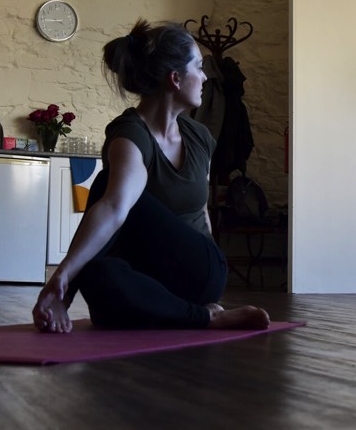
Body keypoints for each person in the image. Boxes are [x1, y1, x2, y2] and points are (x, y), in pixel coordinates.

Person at [32, 18, 270, 333]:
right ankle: (202, 317)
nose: (203, 77)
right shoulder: (131, 134)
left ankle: (189, 311)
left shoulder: (199, 136)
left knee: (104, 185)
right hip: (147, 277)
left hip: (197, 267)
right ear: (175, 78)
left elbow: (200, 212)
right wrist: (65, 274)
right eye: (198, 67)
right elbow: (115, 208)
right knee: (97, 270)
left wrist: (62, 275)